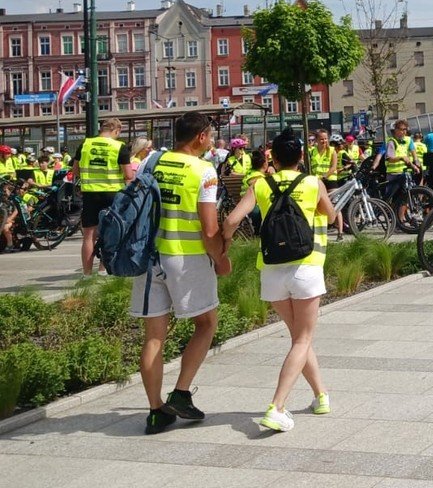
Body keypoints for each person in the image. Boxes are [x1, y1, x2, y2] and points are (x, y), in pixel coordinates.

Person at [223, 128, 334, 432]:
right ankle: (277, 407)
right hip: (306, 266)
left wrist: (222, 249)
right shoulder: (313, 183)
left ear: (274, 158)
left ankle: (321, 395)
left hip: (271, 270)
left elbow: (232, 221)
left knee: (299, 337)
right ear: (301, 156)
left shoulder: (260, 185)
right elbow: (332, 216)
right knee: (302, 339)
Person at [132, 111, 230, 434]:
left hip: (149, 258)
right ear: (200, 137)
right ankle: (182, 392)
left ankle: (156, 411)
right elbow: (209, 228)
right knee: (207, 323)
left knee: (154, 337)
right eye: (211, 136)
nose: (212, 141)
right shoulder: (204, 171)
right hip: (186, 259)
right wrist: (220, 259)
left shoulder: (152, 163)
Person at [74, 117, 137, 275]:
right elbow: (128, 175)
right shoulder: (119, 147)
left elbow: (75, 171)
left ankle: (87, 274)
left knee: (89, 235)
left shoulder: (85, 144)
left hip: (89, 193)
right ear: (117, 130)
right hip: (112, 194)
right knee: (109, 232)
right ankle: (103, 270)